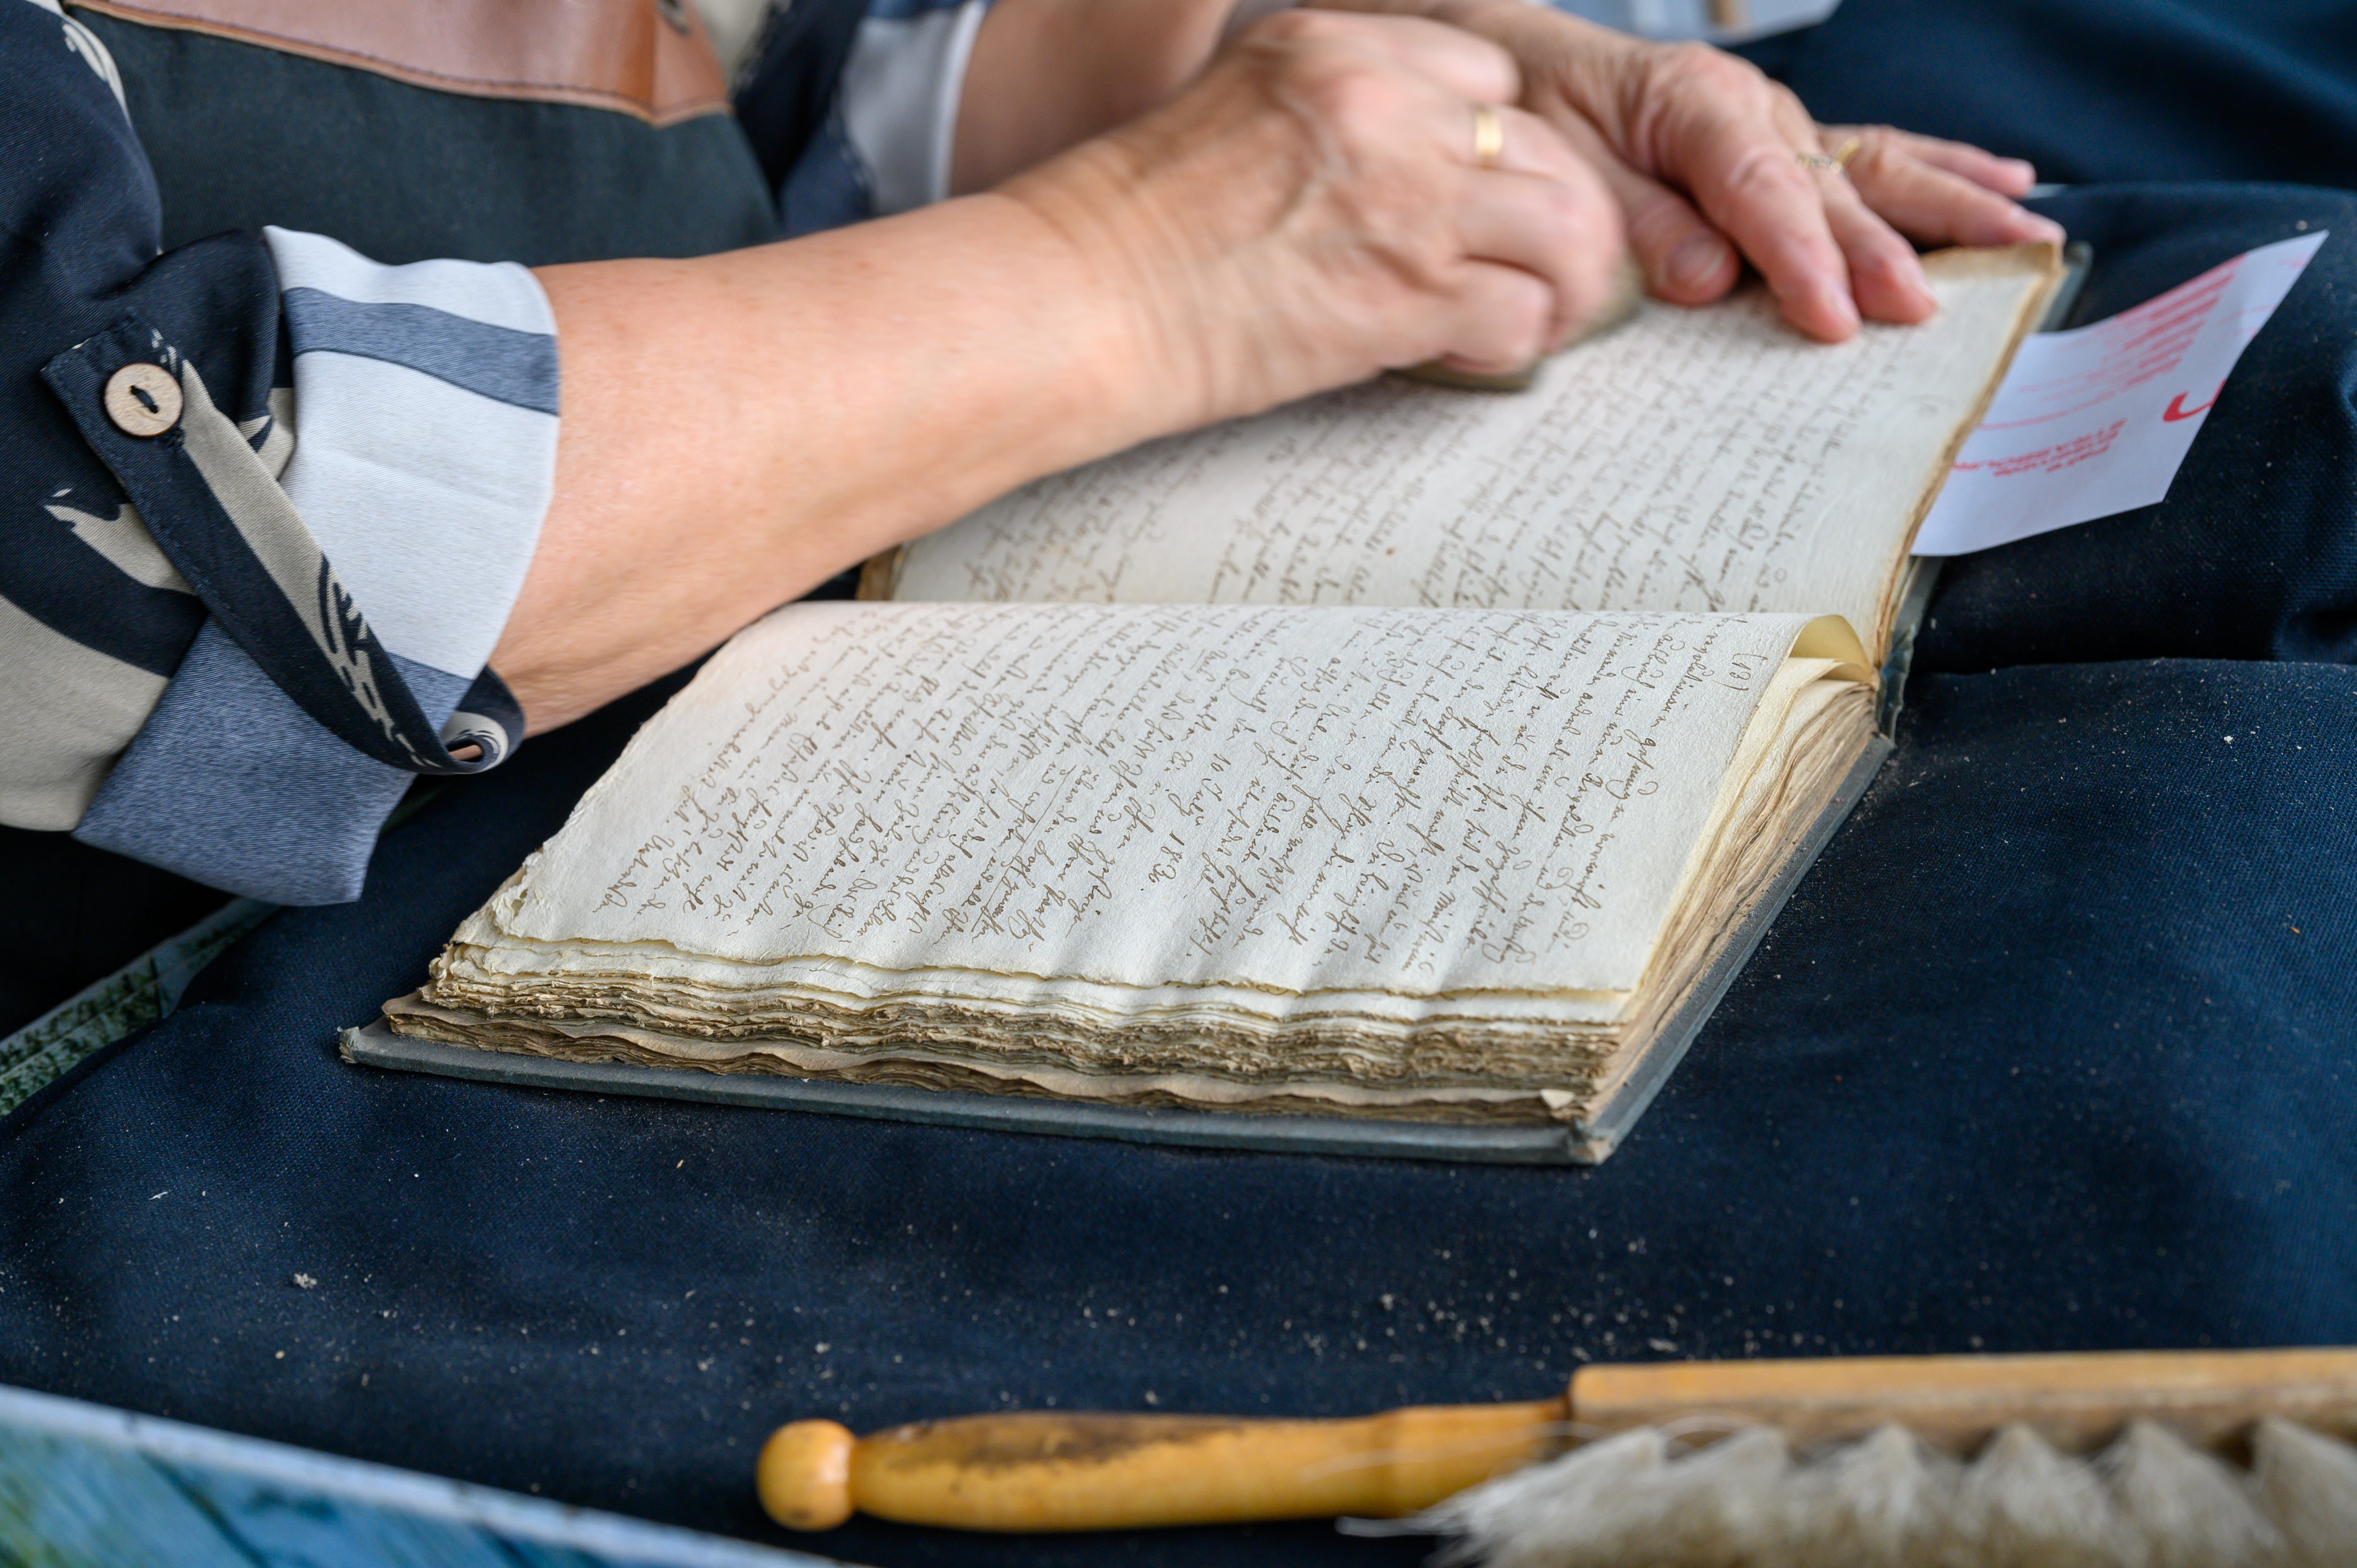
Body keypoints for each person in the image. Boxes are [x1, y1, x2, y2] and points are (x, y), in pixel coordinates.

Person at [0, 0, 2055, 1026]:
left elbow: (771, 71)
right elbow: (87, 560)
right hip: (225, 1008)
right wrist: (1153, 265)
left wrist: (1344, 89)